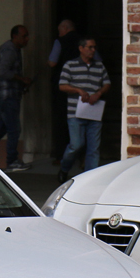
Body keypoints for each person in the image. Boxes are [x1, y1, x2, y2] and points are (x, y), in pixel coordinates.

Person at [57, 37, 110, 183]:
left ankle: (89, 179)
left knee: (93, 148)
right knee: (76, 145)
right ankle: (64, 168)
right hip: (75, 112)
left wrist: (98, 94)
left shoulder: (99, 66)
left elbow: (107, 83)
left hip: (94, 112)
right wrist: (78, 90)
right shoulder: (70, 65)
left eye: (94, 48)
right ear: (81, 48)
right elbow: (62, 85)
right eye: (90, 47)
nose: (93, 50)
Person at [0, 24, 31, 172]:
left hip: (7, 95)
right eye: (24, 36)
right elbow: (2, 72)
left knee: (0, 128)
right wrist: (20, 79)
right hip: (7, 97)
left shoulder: (13, 50)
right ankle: (12, 160)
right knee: (14, 128)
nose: (26, 39)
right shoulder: (10, 50)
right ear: (15, 36)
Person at [46, 19, 80, 161]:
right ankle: (80, 156)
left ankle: (61, 155)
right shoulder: (83, 41)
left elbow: (52, 62)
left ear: (65, 28)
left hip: (63, 86)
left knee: (61, 120)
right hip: (82, 85)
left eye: (60, 30)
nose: (59, 34)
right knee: (81, 120)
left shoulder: (60, 42)